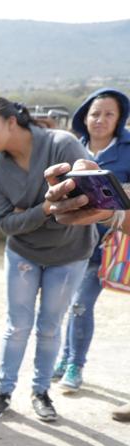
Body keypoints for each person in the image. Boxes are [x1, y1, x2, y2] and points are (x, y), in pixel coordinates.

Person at [0, 97, 93, 422]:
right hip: (23, 254)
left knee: (50, 328)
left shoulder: (61, 145)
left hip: (70, 254)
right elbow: (5, 224)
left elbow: (88, 197)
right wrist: (45, 209)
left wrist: (26, 213)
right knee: (17, 327)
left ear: (12, 121)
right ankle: (4, 391)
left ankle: (41, 392)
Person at [52, 89, 130, 392]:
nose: (100, 119)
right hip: (72, 243)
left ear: (119, 119)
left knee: (81, 304)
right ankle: (65, 357)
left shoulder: (127, 150)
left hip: (107, 244)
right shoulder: (73, 148)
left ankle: (75, 365)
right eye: (95, 113)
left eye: (109, 114)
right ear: (84, 117)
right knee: (70, 305)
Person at [45, 159, 130, 423]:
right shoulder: (80, 144)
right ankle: (69, 362)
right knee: (78, 307)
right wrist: (111, 212)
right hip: (89, 252)